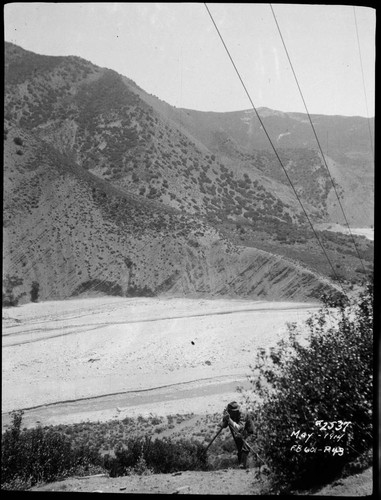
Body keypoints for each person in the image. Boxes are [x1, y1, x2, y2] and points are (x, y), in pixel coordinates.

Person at [221, 401, 254, 469]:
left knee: (245, 448)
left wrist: (229, 419)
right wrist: (224, 419)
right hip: (240, 435)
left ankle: (244, 466)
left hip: (249, 433)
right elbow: (222, 426)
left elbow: (239, 428)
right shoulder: (231, 415)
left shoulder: (242, 415)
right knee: (240, 450)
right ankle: (241, 468)